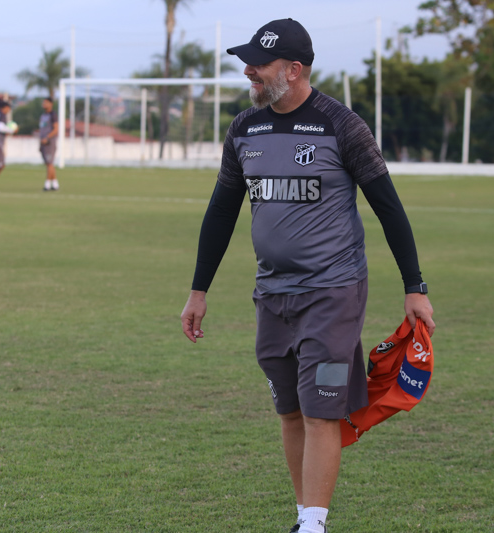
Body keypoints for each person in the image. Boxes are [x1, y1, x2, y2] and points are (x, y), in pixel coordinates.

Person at [179, 19, 435, 533]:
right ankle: (305, 515)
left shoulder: (341, 125)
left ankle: (314, 525)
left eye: (260, 63)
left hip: (333, 292)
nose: (248, 70)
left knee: (322, 410)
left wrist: (415, 286)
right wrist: (198, 290)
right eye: (247, 61)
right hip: (272, 293)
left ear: (294, 70)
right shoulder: (244, 129)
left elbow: (388, 207)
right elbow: (222, 210)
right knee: (290, 410)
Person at [39, 97, 60, 191]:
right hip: (43, 142)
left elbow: (56, 129)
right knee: (48, 164)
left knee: (49, 163)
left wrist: (47, 137)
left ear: (51, 104)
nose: (44, 104)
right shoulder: (43, 115)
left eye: (46, 102)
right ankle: (55, 184)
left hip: (49, 142)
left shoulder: (53, 115)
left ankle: (47, 184)